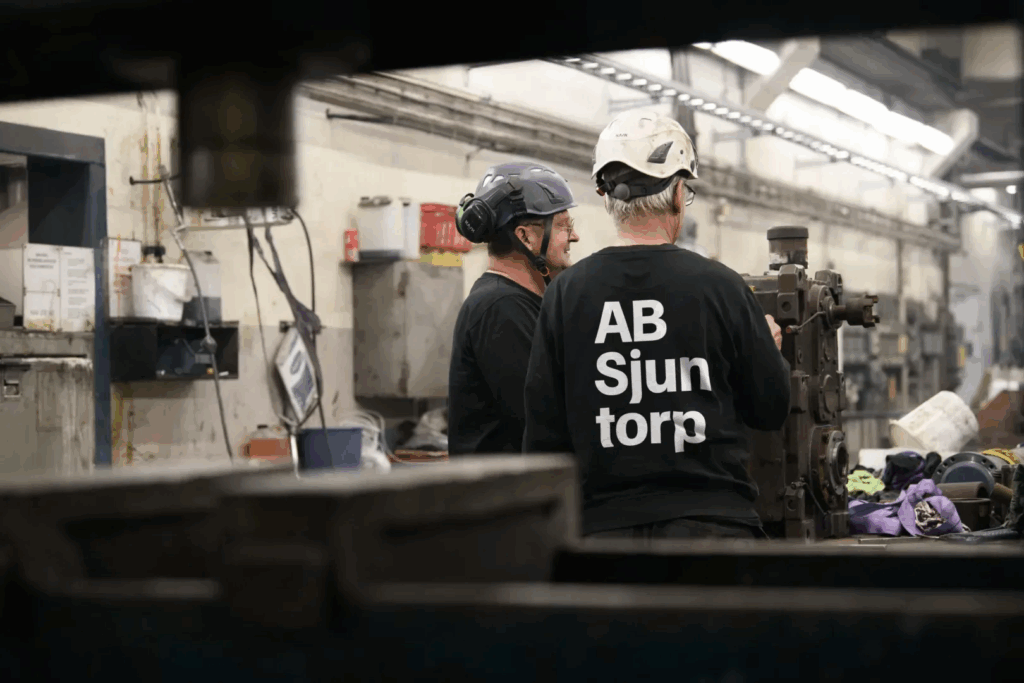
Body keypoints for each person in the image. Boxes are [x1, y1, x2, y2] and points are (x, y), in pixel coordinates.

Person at [522, 110, 789, 541]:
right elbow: (771, 407)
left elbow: (543, 439)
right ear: (679, 193)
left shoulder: (565, 295)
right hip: (714, 530)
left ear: (606, 196)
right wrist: (768, 349)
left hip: (605, 537)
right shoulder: (721, 286)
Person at [447, 161, 580, 456]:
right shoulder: (501, 308)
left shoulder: (517, 303)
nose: (574, 237)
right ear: (526, 237)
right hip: (503, 498)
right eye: (563, 226)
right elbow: (542, 420)